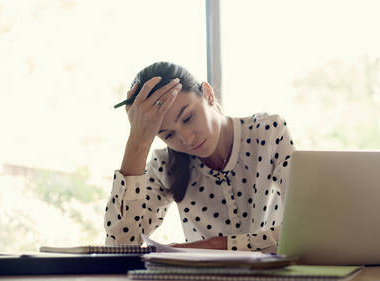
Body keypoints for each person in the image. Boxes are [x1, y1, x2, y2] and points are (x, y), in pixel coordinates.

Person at [104, 62, 295, 252]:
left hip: (273, 279)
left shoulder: (269, 133)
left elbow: (303, 232)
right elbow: (120, 246)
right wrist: (138, 141)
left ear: (208, 94)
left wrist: (211, 246)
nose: (187, 139)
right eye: (168, 135)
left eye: (188, 118)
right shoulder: (163, 165)